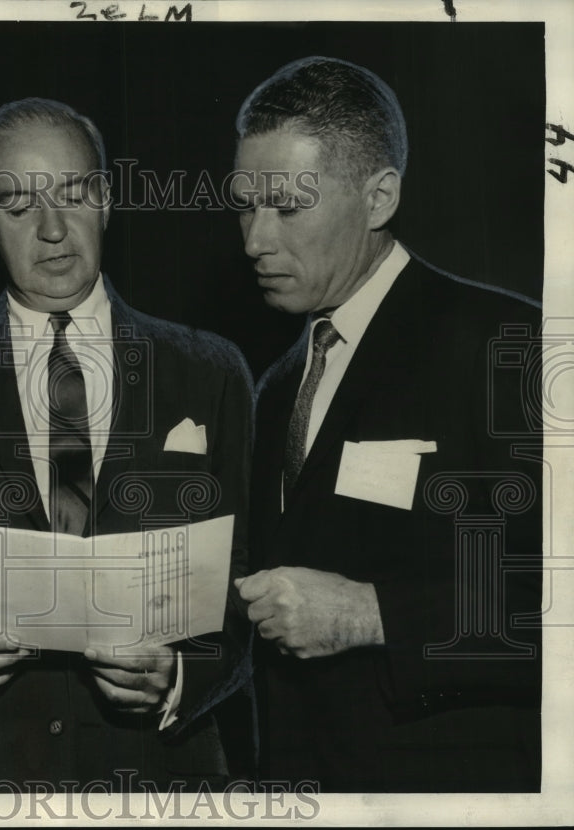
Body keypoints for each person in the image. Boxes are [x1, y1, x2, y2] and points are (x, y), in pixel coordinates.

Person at [0, 98, 253, 791]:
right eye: (17, 206)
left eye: (74, 193)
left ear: (106, 201)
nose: (52, 230)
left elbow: (249, 580)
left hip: (160, 777)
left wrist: (183, 673)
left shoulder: (210, 370)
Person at [232, 57, 542, 791]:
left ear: (379, 197)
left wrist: (372, 615)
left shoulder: (507, 343)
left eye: (287, 207)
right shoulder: (278, 385)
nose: (254, 240)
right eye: (244, 205)